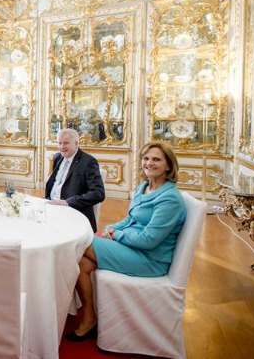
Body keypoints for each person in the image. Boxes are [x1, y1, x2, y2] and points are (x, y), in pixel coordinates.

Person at [65, 141, 187, 342]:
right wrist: (109, 228)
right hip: (133, 247)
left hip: (150, 259)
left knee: (78, 243)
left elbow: (149, 240)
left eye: (156, 159)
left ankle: (73, 310)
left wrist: (116, 235)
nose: (149, 163)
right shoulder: (145, 187)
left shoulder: (169, 199)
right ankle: (89, 317)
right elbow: (131, 219)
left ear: (169, 165)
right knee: (82, 263)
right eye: (146, 158)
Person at [45, 128, 105, 232]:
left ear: (76, 143)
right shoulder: (57, 157)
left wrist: (67, 202)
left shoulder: (88, 162)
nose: (61, 147)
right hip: (52, 209)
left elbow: (98, 193)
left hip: (73, 213)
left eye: (66, 143)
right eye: (59, 143)